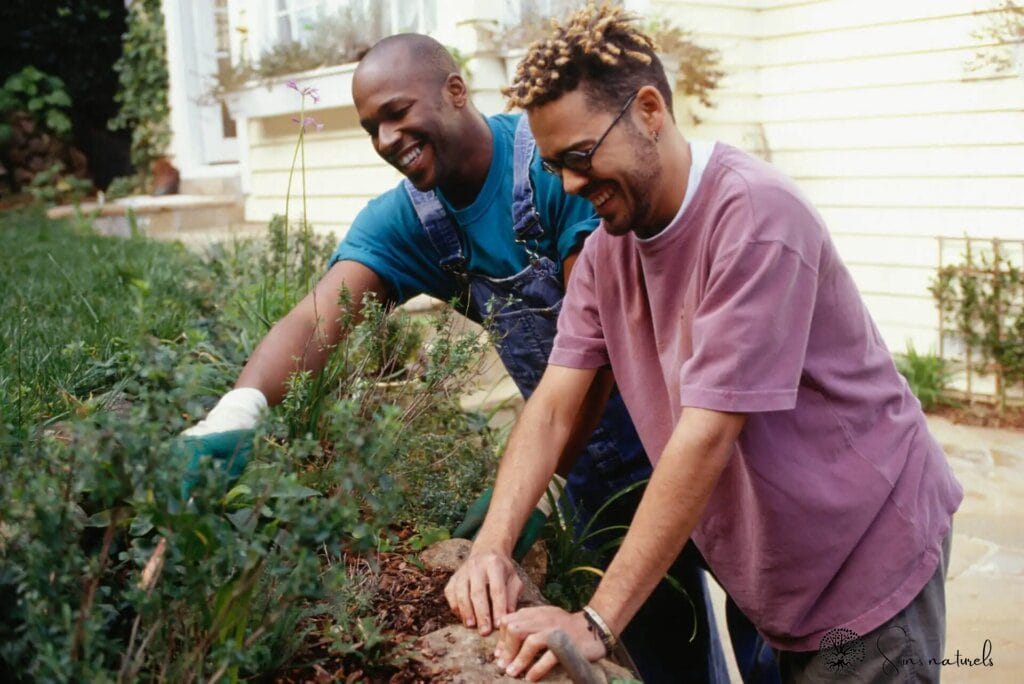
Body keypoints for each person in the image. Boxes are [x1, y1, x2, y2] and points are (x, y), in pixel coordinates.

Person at [177, 32, 747, 683]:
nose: (387, 138)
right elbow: (317, 316)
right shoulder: (411, 221)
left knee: (775, 637)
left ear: (454, 91)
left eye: (397, 112)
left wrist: (538, 490)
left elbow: (601, 350)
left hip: (698, 439)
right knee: (665, 654)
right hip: (597, 476)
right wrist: (235, 413)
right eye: (371, 128)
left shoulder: (559, 168)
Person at [444, 4, 964, 683]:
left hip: (866, 566)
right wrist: (492, 546)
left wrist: (596, 622)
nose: (570, 184)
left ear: (650, 110)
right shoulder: (607, 253)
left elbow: (706, 435)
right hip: (776, 570)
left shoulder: (754, 217)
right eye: (553, 168)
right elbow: (553, 407)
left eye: (579, 156)